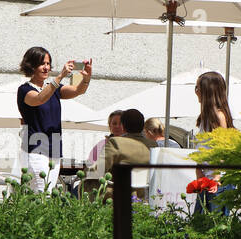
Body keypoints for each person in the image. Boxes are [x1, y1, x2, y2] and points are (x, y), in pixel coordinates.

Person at [16, 46, 93, 193]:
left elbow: (78, 91)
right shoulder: (24, 90)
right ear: (31, 66)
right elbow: (39, 99)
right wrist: (60, 76)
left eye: (48, 63)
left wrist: (86, 78)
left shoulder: (54, 89)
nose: (46, 68)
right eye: (42, 64)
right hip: (35, 149)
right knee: (40, 194)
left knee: (48, 194)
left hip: (54, 148)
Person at [193, 71, 234, 212]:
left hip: (217, 180)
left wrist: (216, 177)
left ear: (208, 91)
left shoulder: (219, 116)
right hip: (206, 178)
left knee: (214, 226)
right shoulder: (205, 117)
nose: (196, 92)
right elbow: (203, 149)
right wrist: (199, 172)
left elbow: (221, 148)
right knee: (200, 224)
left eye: (198, 88)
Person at [103, 109, 151, 173]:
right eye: (114, 123)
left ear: (123, 126)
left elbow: (99, 169)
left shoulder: (114, 142)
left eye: (120, 123)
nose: (117, 126)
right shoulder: (153, 144)